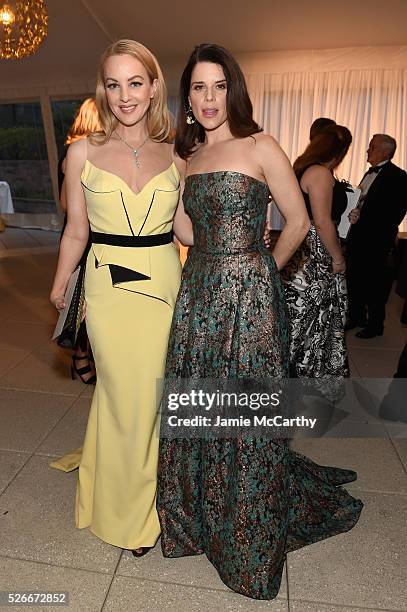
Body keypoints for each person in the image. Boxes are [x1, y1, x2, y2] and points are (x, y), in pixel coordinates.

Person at [157, 44, 363, 601]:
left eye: (218, 86)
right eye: (198, 88)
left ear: (234, 89)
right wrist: (181, 183)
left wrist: (260, 273)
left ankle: (244, 529)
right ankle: (199, 515)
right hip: (199, 292)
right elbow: (186, 232)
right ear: (187, 96)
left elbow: (296, 222)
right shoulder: (191, 156)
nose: (207, 99)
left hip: (248, 293)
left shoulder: (261, 145)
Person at [50, 39, 187, 555]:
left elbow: (184, 231)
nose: (124, 95)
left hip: (161, 281)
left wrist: (234, 221)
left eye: (135, 82)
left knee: (146, 398)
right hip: (108, 284)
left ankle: (139, 497)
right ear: (102, 90)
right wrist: (62, 283)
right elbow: (74, 232)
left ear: (154, 87)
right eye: (113, 84)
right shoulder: (82, 151)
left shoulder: (177, 154)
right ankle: (131, 515)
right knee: (127, 395)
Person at [282, 125, 352, 390]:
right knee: (314, 315)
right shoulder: (320, 173)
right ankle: (306, 375)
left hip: (300, 248)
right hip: (316, 251)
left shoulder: (301, 168)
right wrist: (337, 257)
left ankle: (294, 374)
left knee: (300, 313)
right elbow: (322, 223)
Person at [58, 98, 101, 385]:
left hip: (97, 233)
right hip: (82, 234)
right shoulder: (77, 154)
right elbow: (64, 203)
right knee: (81, 303)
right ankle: (80, 356)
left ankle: (88, 355)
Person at [346, 134, 407, 338]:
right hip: (358, 237)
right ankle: (357, 317)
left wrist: (364, 217)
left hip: (377, 240)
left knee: (375, 284)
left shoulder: (398, 176)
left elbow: (396, 211)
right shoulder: (369, 173)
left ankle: (375, 325)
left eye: (372, 147)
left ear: (385, 151)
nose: (367, 150)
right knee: (355, 278)